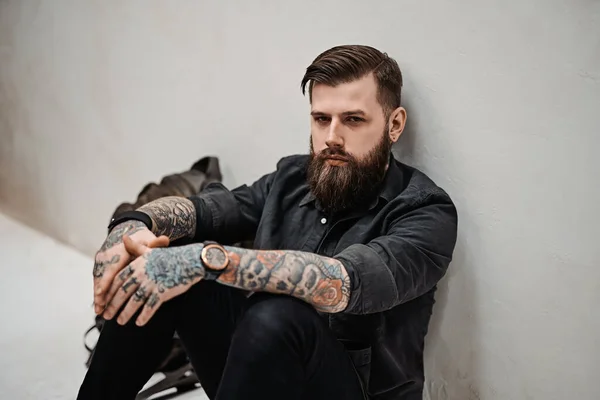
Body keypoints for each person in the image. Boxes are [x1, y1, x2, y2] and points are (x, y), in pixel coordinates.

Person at [78, 44, 458, 400]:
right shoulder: (291, 177)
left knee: (279, 313)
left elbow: (345, 282)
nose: (332, 138)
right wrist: (129, 226)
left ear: (394, 125)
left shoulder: (425, 211)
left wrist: (203, 261)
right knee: (163, 256)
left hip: (350, 391)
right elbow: (208, 210)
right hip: (260, 382)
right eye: (321, 118)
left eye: (353, 120)